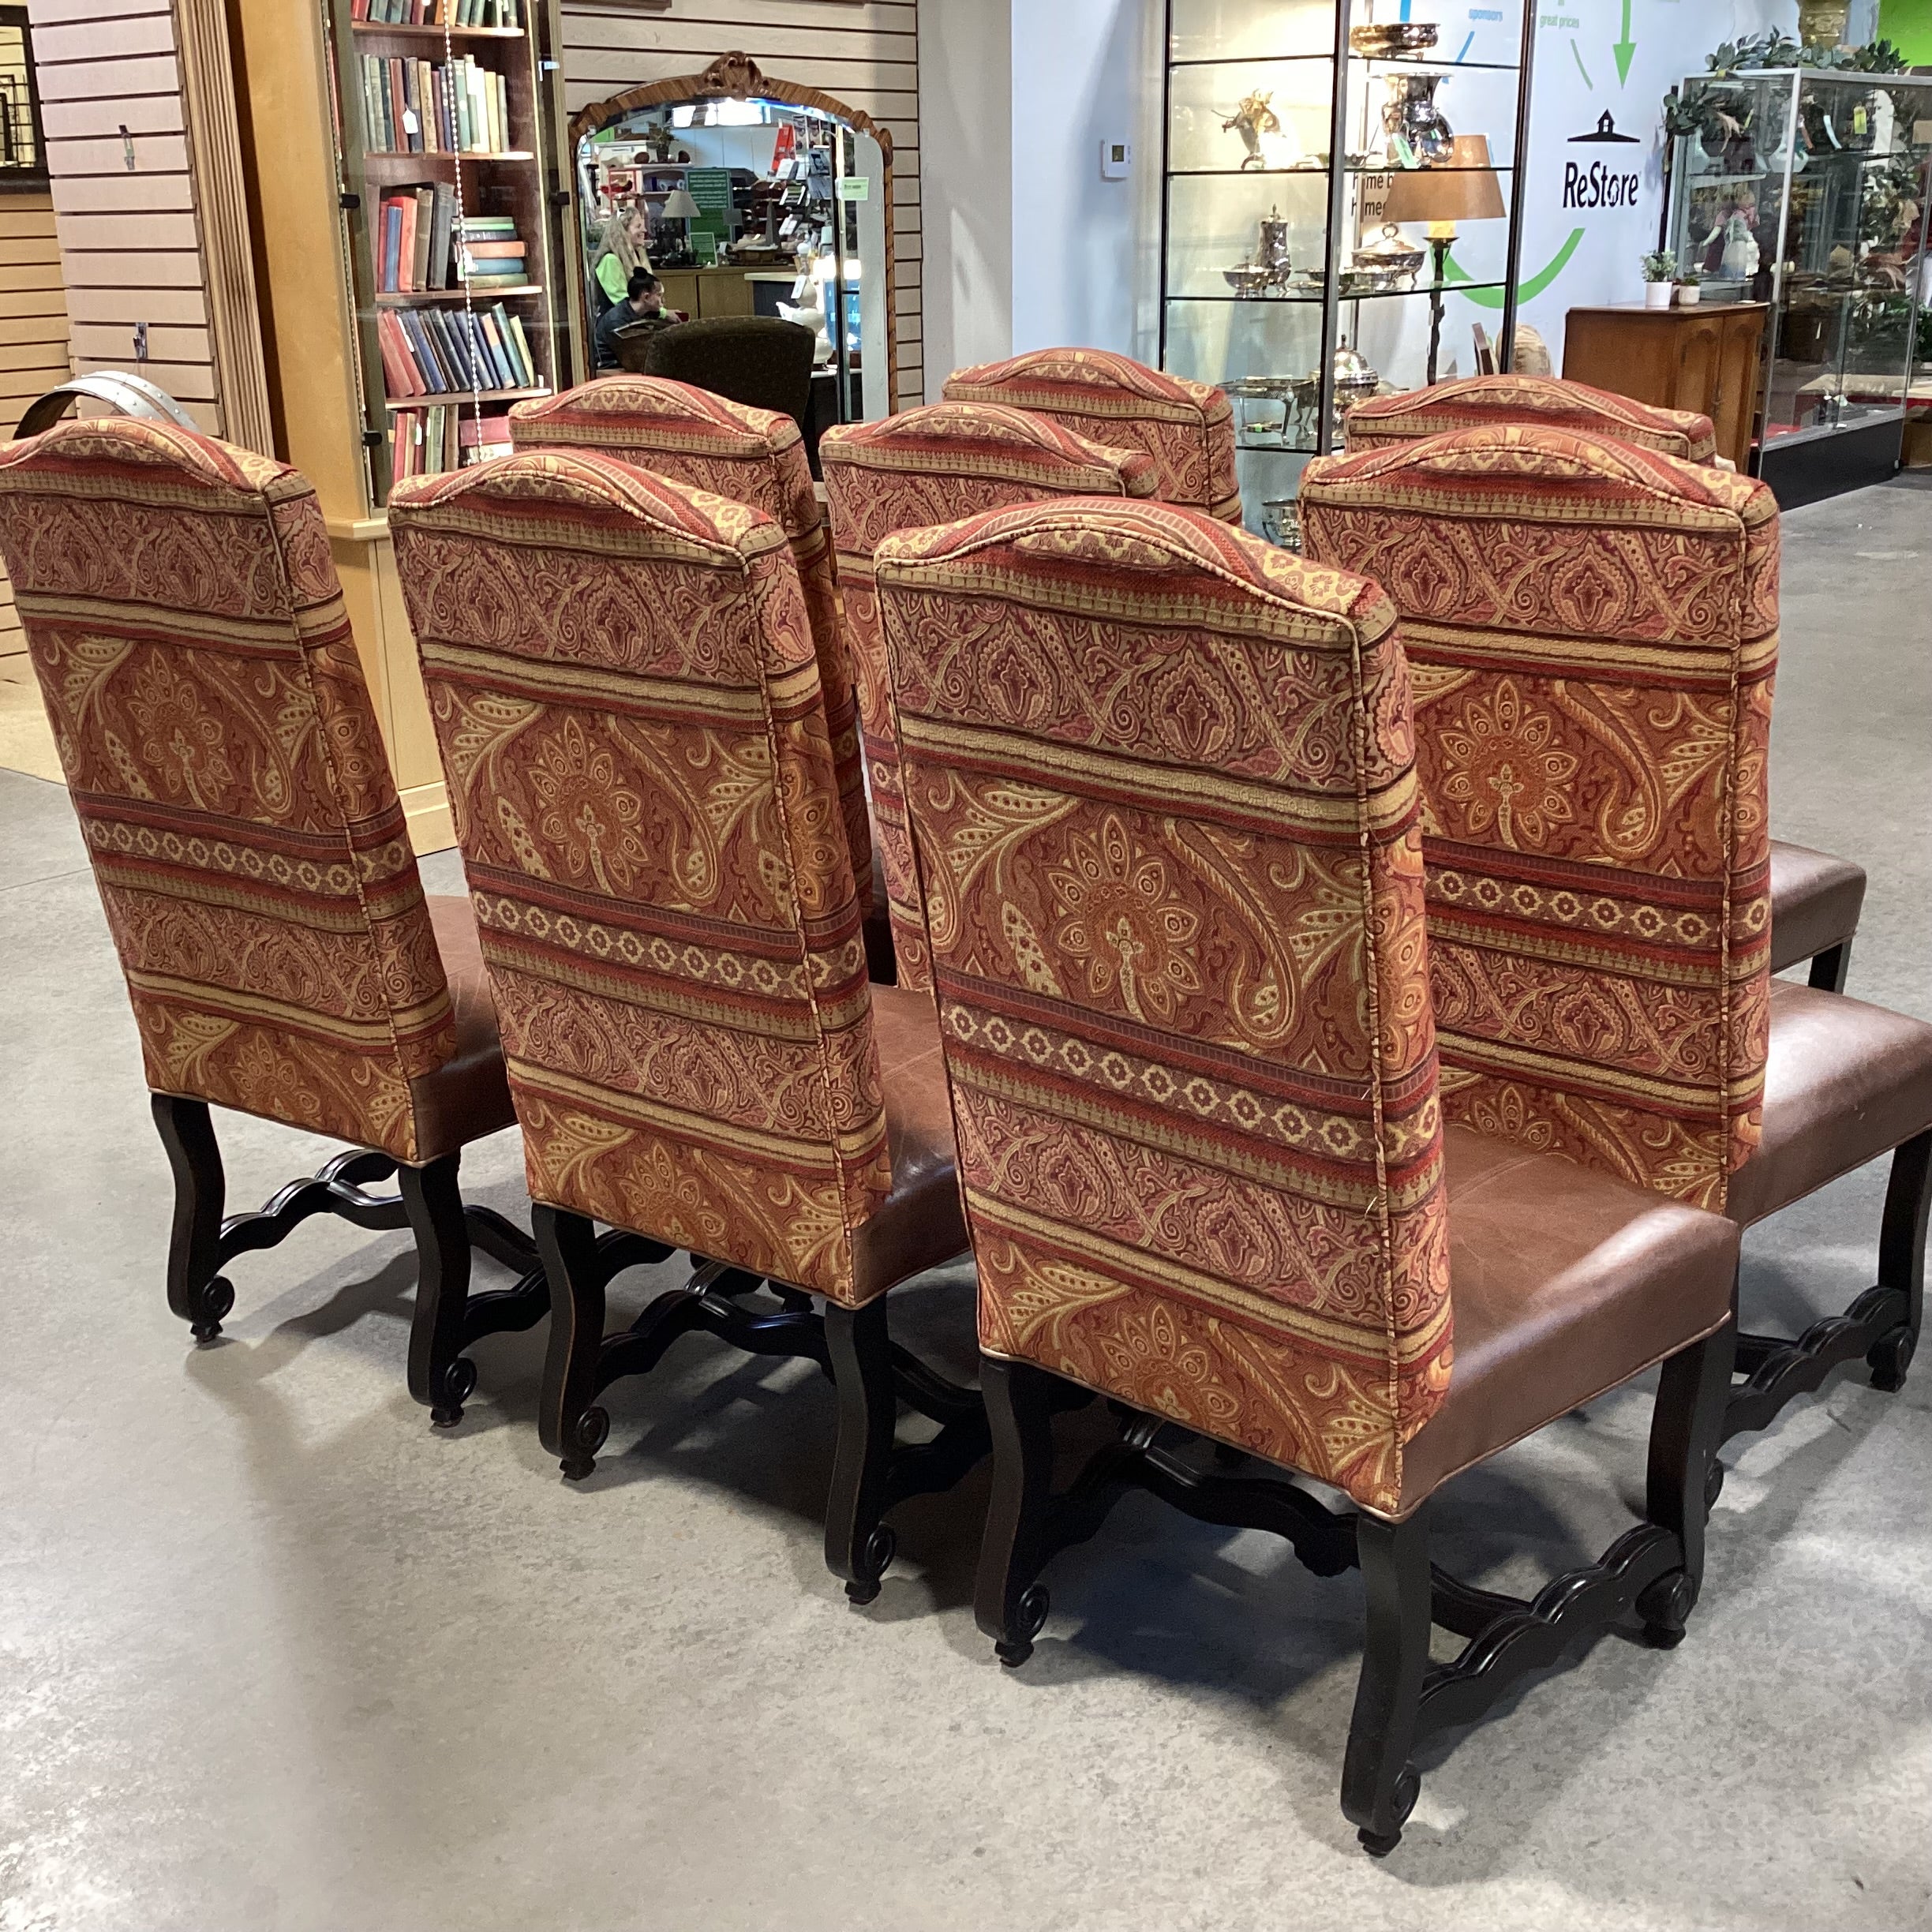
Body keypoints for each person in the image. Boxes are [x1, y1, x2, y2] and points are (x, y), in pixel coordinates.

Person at [594, 268, 672, 369]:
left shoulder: (645, 313)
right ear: (646, 297)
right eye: (659, 295)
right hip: (612, 367)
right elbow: (635, 357)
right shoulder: (617, 321)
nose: (663, 300)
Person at [591, 203, 651, 311]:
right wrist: (661, 313)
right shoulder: (610, 260)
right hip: (618, 325)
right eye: (638, 226)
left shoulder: (638, 256)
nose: (645, 231)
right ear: (622, 230)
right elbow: (624, 303)